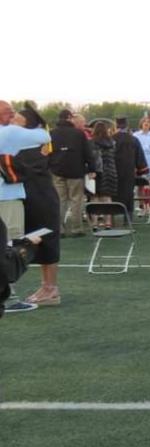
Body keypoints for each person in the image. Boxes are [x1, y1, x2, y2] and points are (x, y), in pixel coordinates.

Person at [12, 104, 62, 306]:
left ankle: (51, 289)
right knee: (38, 242)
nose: (12, 121)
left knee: (47, 241)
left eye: (17, 118)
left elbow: (23, 171)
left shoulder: (34, 146)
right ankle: (45, 286)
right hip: (31, 197)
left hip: (42, 198)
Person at [49, 109, 96, 237]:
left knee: (60, 200)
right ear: (70, 118)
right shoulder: (79, 134)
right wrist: (92, 168)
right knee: (76, 200)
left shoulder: (51, 133)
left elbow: (47, 153)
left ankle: (59, 229)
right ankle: (77, 228)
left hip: (57, 171)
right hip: (75, 171)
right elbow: (88, 152)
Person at [112, 117, 148, 216]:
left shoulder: (111, 139)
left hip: (114, 172)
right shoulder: (134, 140)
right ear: (127, 126)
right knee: (128, 193)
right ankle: (128, 218)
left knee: (114, 193)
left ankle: (112, 219)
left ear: (116, 126)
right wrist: (141, 170)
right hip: (129, 172)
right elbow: (140, 157)